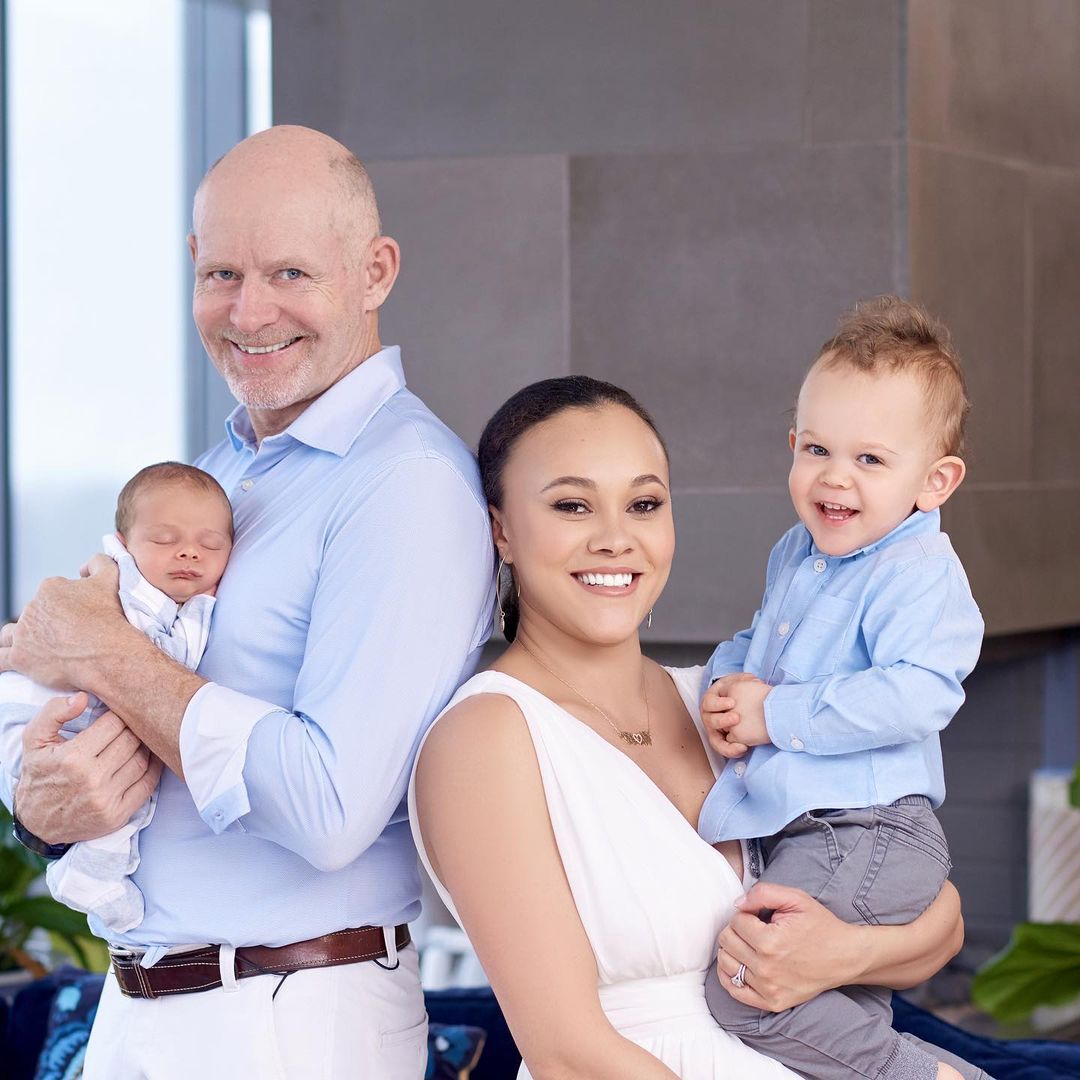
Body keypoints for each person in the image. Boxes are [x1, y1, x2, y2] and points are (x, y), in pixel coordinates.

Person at [0, 126, 493, 1079]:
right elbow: (71, 682)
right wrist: (39, 801)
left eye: (292, 274)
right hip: (145, 1003)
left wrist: (106, 657)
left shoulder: (410, 485)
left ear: (376, 271)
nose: (250, 310)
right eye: (222, 272)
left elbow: (329, 809)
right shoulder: (219, 471)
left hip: (289, 1023)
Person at [410, 375, 968, 1080]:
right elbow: (567, 1054)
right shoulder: (488, 736)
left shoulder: (730, 705)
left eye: (643, 504)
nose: (616, 539)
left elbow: (941, 917)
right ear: (501, 530)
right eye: (573, 505)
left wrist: (838, 956)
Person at [697, 298, 987, 1080]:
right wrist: (727, 681)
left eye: (870, 460)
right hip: (814, 826)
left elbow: (920, 693)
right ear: (791, 444)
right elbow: (759, 645)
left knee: (746, 983)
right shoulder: (797, 550)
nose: (834, 477)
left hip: (868, 829)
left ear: (935, 481)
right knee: (839, 1014)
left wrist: (774, 713)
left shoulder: (917, 572)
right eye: (818, 448)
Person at [0, 462, 233, 934]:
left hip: (62, 711)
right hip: (46, 708)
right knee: (118, 776)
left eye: (211, 545)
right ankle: (92, 876)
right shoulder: (129, 590)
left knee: (123, 776)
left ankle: (93, 873)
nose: (189, 552)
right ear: (123, 545)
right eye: (164, 541)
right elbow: (153, 660)